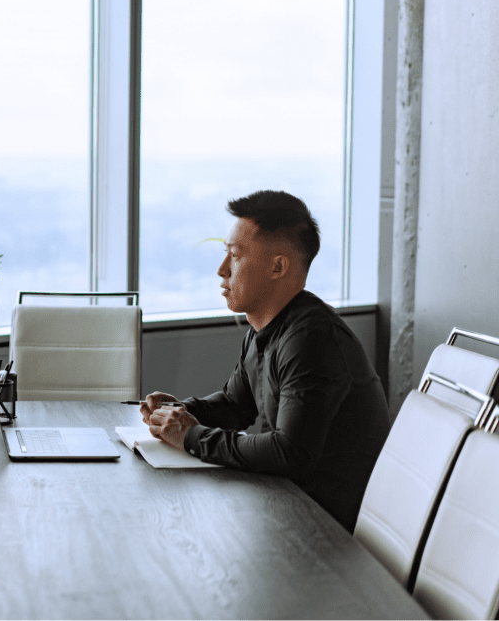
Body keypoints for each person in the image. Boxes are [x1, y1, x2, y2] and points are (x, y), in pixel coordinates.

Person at [141, 190, 390, 532]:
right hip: (285, 507)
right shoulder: (267, 329)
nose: (221, 270)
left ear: (277, 266)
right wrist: (179, 411)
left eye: (235, 256)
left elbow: (289, 453)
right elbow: (235, 405)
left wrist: (191, 436)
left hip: (323, 534)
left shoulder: (311, 340)